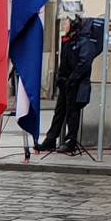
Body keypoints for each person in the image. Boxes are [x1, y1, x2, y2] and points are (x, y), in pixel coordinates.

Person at [38, 13, 99, 155]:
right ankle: (51, 139)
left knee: (72, 114)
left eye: (67, 23)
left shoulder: (84, 42)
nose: (64, 26)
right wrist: (60, 77)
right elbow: (63, 62)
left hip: (76, 85)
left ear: (74, 25)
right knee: (59, 113)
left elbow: (84, 63)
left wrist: (72, 79)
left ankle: (70, 141)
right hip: (65, 83)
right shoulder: (68, 40)